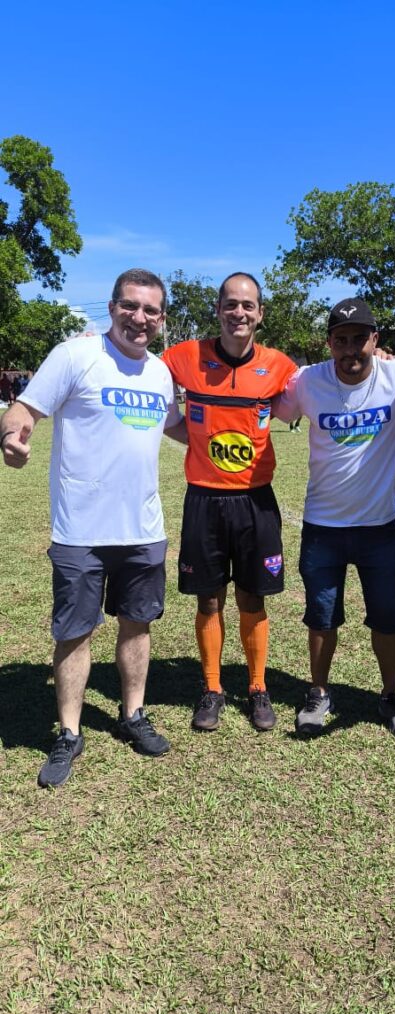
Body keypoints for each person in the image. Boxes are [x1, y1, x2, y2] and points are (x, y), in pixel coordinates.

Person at [0, 268, 182, 787]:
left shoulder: (160, 373)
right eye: (130, 306)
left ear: (161, 319)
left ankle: (133, 715)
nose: (139, 318)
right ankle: (69, 732)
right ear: (112, 307)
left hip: (144, 530)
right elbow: (23, 408)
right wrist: (13, 436)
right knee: (75, 632)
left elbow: (177, 427)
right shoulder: (76, 355)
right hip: (80, 530)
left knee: (137, 625)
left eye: (150, 310)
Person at [272, 298, 395, 737]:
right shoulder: (308, 381)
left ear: (376, 340)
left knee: (387, 616)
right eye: (341, 340)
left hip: (379, 528)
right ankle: (317, 692)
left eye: (359, 339)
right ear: (329, 343)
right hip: (322, 528)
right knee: (321, 616)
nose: (351, 350)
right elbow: (267, 398)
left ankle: (390, 697)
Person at [162, 272, 297, 732]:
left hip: (255, 502)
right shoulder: (184, 358)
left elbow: (326, 386)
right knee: (208, 601)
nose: (239, 312)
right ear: (218, 309)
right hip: (205, 500)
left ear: (260, 313)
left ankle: (257, 686)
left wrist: (379, 361)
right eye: (231, 304)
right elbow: (136, 368)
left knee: (253, 599)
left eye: (249, 305)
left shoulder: (280, 366)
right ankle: (213, 687)